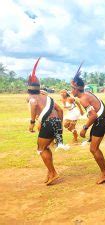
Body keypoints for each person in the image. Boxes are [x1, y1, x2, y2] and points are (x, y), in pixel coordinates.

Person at [71, 62, 105, 184]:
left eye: (72, 88)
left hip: (99, 122)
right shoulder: (87, 94)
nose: (71, 90)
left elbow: (93, 115)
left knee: (93, 149)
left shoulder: (83, 98)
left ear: (76, 88)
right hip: (100, 122)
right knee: (94, 148)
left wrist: (84, 128)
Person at [27, 57, 65, 185]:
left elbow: (33, 108)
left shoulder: (33, 98)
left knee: (41, 149)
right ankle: (50, 172)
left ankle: (53, 172)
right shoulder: (47, 97)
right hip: (56, 123)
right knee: (46, 147)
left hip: (48, 124)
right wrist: (59, 125)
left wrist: (31, 124)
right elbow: (60, 110)